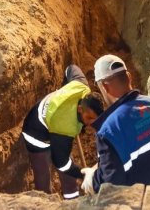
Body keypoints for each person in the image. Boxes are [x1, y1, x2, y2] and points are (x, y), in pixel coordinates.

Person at [81, 54, 150, 195]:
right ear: (129, 77)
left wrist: (92, 179)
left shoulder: (109, 131)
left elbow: (111, 185)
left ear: (104, 87)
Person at [21, 64, 104, 200]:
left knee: (69, 176)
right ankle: (44, 204)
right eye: (88, 118)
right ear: (79, 109)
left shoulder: (81, 87)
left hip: (54, 120)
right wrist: (84, 174)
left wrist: (65, 88)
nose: (91, 123)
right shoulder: (65, 125)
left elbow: (71, 68)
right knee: (43, 174)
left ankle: (72, 202)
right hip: (36, 132)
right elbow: (61, 163)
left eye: (95, 119)